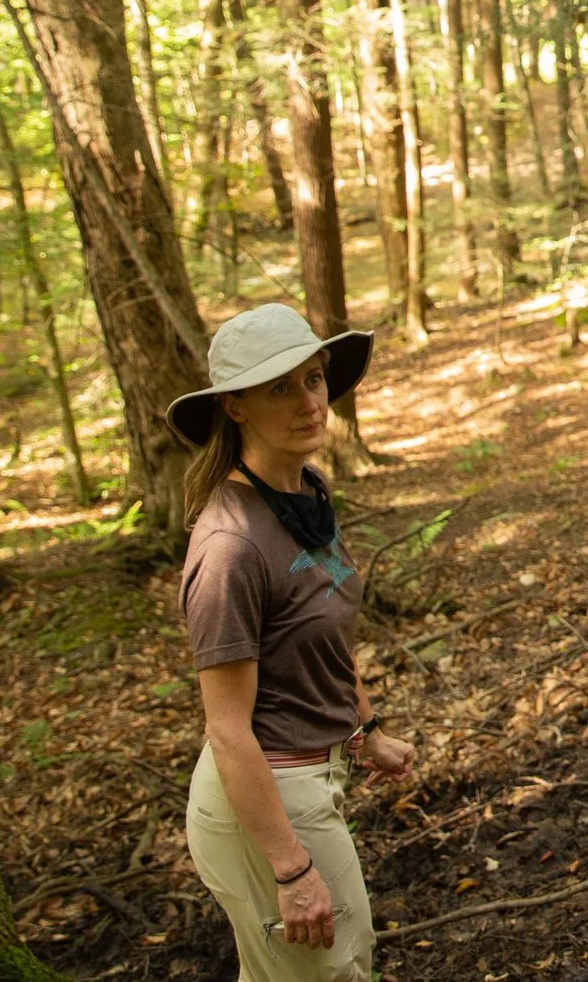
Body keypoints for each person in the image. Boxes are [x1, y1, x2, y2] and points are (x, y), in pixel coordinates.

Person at [174, 303, 417, 982]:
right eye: (280, 386)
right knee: (339, 972)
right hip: (269, 792)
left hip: (317, 770)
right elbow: (226, 730)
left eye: (313, 379)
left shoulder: (306, 489)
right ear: (235, 406)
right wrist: (291, 866)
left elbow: (325, 631)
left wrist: (365, 729)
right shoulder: (229, 544)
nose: (310, 400)